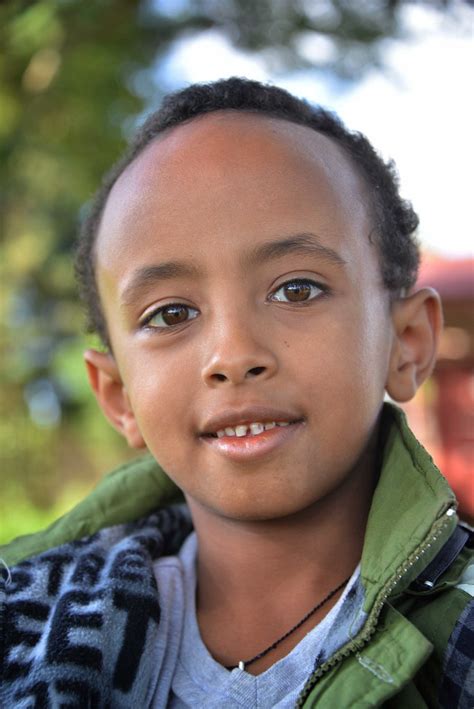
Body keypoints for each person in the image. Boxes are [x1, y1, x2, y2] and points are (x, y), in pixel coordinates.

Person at [0, 77, 472, 708]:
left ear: (406, 343)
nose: (234, 354)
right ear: (117, 395)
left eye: (296, 289)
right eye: (170, 314)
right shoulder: (23, 631)